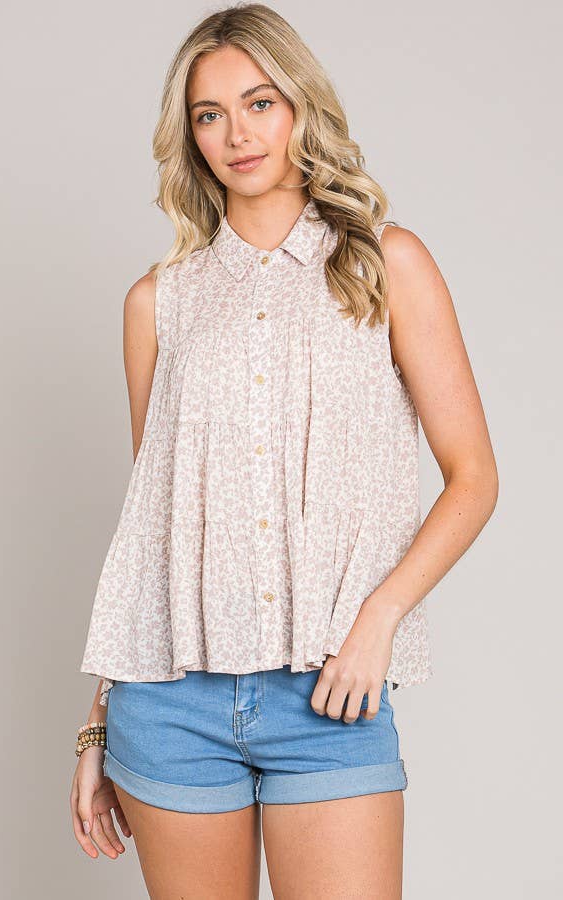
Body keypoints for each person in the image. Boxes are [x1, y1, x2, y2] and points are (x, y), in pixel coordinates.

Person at [70, 4, 498, 897]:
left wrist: (377, 622)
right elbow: (153, 533)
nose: (238, 134)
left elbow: (474, 479)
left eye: (260, 102)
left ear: (302, 105)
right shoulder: (158, 303)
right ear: (190, 137)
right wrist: (98, 721)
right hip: (170, 710)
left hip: (331, 698)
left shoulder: (387, 266)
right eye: (210, 114)